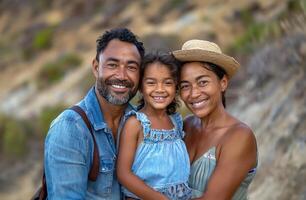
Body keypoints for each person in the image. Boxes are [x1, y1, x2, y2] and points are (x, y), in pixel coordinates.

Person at [44, 28, 145, 199]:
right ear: (96, 67)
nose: (121, 75)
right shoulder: (70, 128)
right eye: (112, 65)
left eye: (131, 67)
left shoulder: (142, 123)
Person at [173, 39, 258, 200]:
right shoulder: (187, 126)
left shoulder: (239, 137)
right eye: (185, 86)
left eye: (203, 82)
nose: (194, 93)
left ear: (223, 83)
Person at [117, 52, 192, 200]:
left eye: (168, 83)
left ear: (176, 87)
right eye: (151, 83)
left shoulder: (176, 122)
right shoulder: (136, 123)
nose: (160, 89)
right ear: (140, 87)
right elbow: (123, 174)